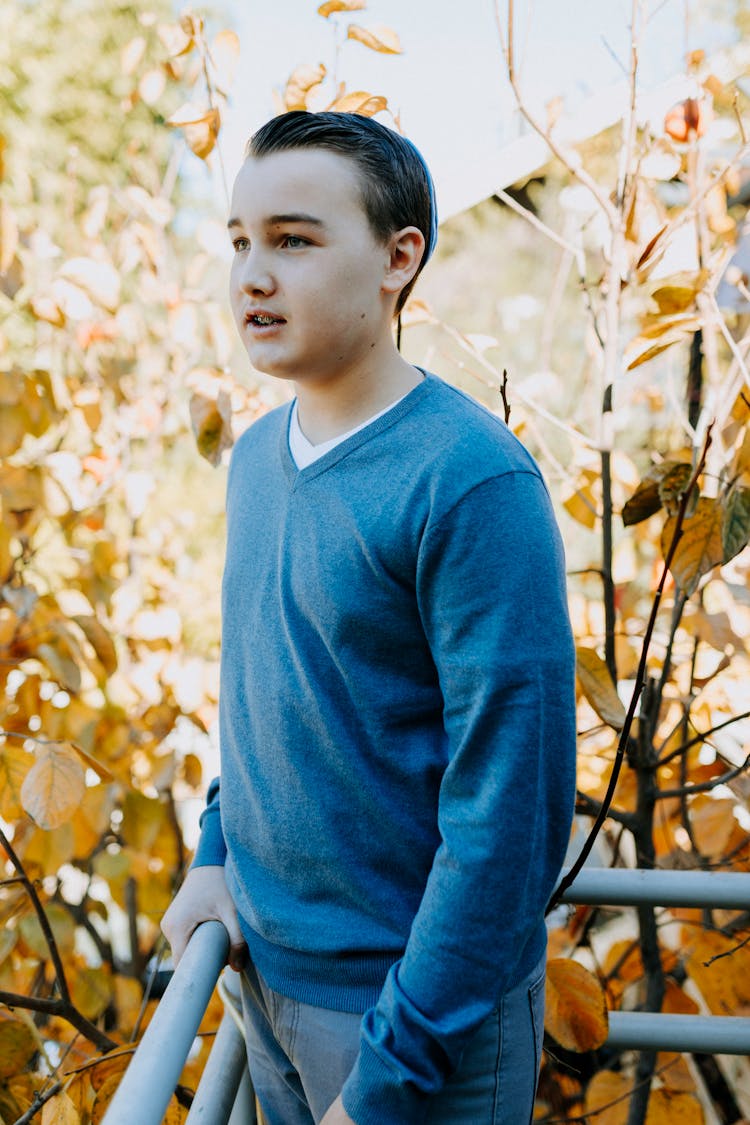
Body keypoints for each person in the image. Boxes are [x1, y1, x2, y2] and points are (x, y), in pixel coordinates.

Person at [162, 110, 577, 1125]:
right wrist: (214, 852)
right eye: (241, 242)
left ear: (400, 260)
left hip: (417, 1024)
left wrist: (393, 1071)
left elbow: (511, 814)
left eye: (294, 241)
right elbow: (263, 688)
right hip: (263, 983)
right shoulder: (258, 458)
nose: (252, 276)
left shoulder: (471, 480)